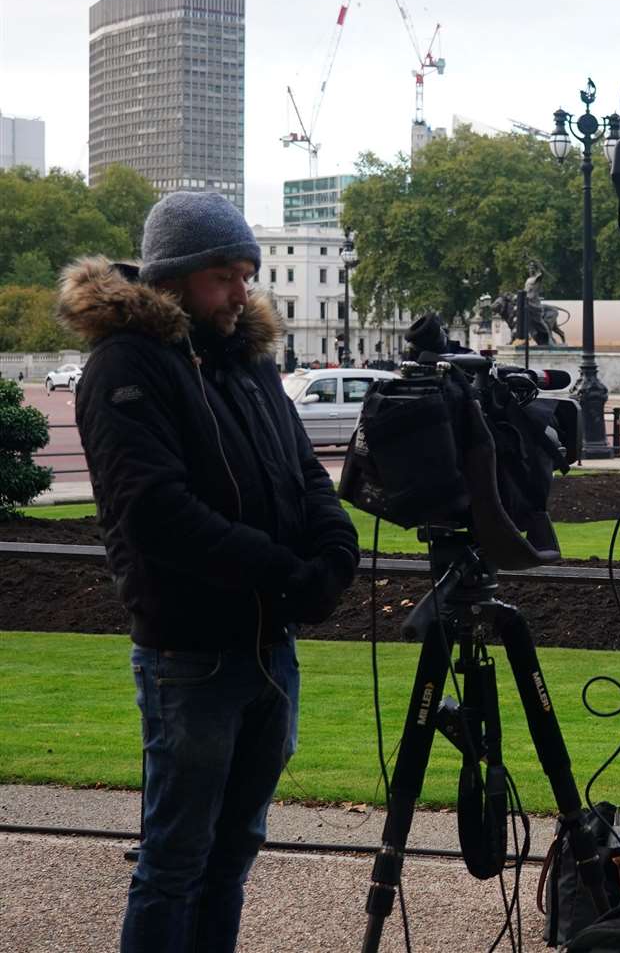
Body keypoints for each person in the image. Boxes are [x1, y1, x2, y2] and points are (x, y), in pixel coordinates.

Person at [58, 191, 359, 952]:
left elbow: (304, 471)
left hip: (268, 644)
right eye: (225, 276)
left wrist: (333, 550)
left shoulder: (247, 358)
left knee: (232, 855)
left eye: (246, 273)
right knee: (176, 861)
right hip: (190, 652)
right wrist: (285, 573)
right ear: (178, 276)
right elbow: (155, 512)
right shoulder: (125, 365)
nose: (241, 292)